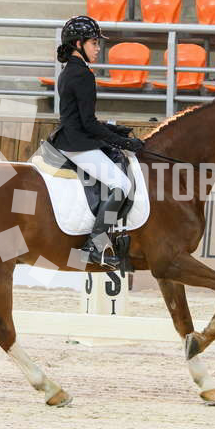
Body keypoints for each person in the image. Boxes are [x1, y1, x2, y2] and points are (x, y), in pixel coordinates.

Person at [49, 15, 145, 269]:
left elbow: (82, 118)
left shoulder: (70, 70)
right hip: (77, 143)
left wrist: (114, 130)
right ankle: (96, 244)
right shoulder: (82, 74)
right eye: (93, 42)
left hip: (70, 136)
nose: (98, 48)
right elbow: (88, 124)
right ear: (78, 44)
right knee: (121, 185)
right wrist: (123, 142)